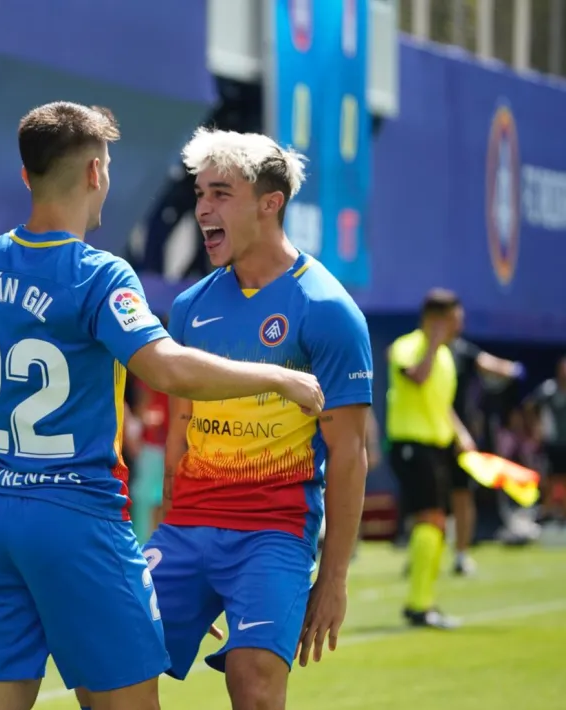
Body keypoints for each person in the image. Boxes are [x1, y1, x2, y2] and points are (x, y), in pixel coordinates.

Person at [0, 101, 324, 710]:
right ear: (95, 173)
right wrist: (277, 380)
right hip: (78, 517)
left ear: (26, 176)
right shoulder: (98, 274)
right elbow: (166, 367)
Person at [139, 127, 373, 710]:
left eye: (220, 194)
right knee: (113, 662)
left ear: (271, 204)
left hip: (274, 534)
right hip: (187, 528)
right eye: (199, 194)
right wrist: (177, 552)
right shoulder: (191, 307)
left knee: (254, 681)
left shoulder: (327, 310)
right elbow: (180, 432)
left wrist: (335, 578)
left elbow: (349, 454)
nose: (202, 209)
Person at [387, 289, 474, 629]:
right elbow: (418, 379)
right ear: (435, 320)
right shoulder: (407, 347)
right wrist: (434, 344)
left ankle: (423, 601)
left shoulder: (447, 357)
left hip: (436, 448)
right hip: (412, 446)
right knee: (431, 519)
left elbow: (441, 404)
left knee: (436, 523)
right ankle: (419, 606)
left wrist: (460, 434)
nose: (458, 325)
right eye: (453, 319)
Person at [447, 329, 524, 575]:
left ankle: (461, 554)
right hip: (431, 433)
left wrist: (513, 369)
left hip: (463, 438)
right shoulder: (419, 349)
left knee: (463, 494)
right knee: (430, 503)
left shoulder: (462, 350)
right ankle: (421, 554)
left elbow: (491, 364)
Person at [130, 371, 170, 544]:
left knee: (151, 501)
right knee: (148, 501)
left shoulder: (149, 372)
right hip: (154, 446)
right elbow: (142, 409)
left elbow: (141, 409)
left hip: (161, 446)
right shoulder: (149, 376)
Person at [526, 356, 566, 523]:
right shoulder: (549, 389)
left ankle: (563, 510)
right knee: (548, 476)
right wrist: (535, 426)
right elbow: (529, 406)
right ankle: (547, 508)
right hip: (552, 441)